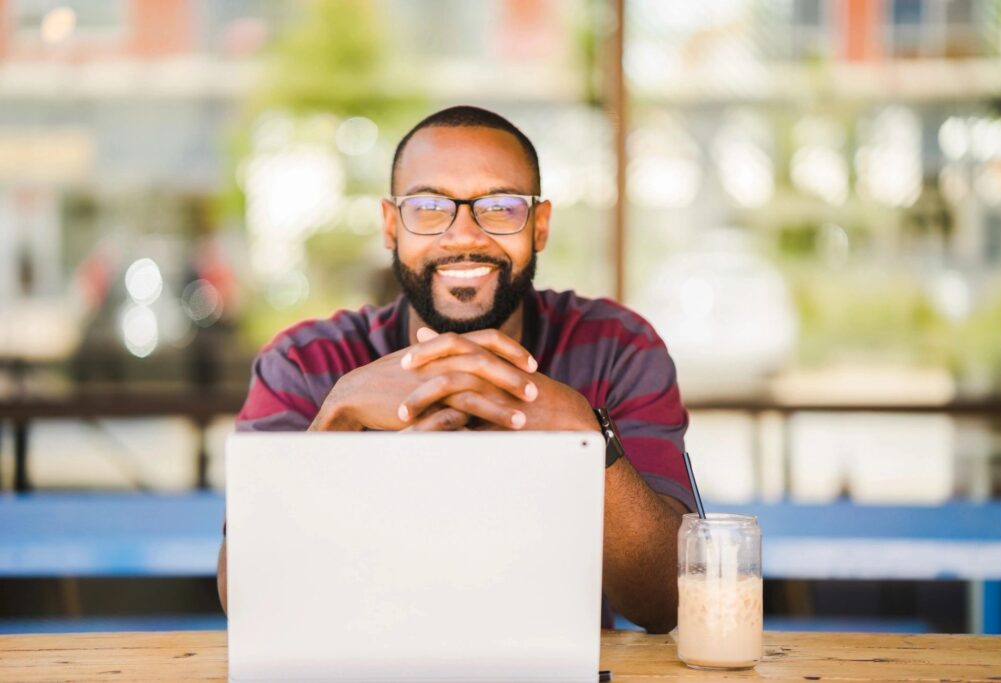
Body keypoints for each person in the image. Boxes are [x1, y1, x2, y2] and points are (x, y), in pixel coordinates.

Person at [218, 106, 694, 634]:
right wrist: (334, 425)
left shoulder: (616, 348)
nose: (464, 235)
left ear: (539, 226)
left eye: (499, 207)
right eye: (427, 206)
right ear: (389, 225)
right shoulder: (306, 363)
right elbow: (245, 598)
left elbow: (666, 602)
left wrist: (588, 434)